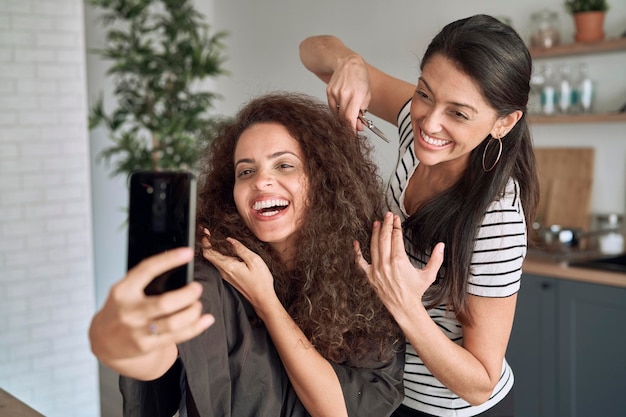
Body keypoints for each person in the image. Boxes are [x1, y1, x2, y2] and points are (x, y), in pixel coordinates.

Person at [89, 92, 445, 417]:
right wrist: (116, 341)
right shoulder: (217, 269)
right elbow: (161, 358)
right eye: (246, 171)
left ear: (324, 180)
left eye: (284, 165)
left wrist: (267, 303)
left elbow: (340, 411)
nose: (261, 181)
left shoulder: (365, 275)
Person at [300, 14, 539, 417]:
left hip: (449, 410)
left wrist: (404, 304)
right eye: (425, 94)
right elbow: (311, 51)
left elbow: (480, 383)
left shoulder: (495, 220)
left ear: (504, 122)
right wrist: (350, 61)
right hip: (386, 391)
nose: (430, 122)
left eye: (459, 114)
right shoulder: (419, 136)